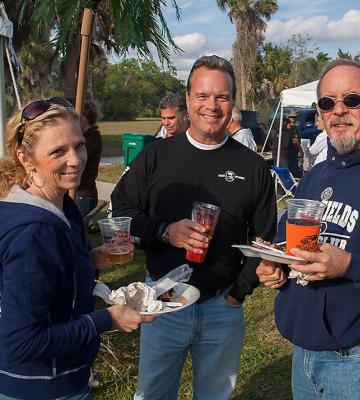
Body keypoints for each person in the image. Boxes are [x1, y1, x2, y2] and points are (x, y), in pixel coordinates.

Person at [111, 55, 277, 400]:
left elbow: (264, 238)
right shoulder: (157, 156)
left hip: (221, 308)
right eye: (202, 96)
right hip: (162, 302)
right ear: (188, 99)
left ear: (232, 102)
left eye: (222, 97)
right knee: (153, 394)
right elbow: (122, 209)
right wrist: (163, 231)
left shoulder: (252, 166)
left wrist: (237, 294)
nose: (211, 106)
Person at [256, 59, 360, 399]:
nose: (338, 111)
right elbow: (285, 237)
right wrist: (272, 263)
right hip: (304, 352)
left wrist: (348, 265)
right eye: (327, 103)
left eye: (352, 100)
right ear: (319, 114)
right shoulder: (319, 173)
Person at [0, 98, 154, 400]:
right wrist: (107, 319)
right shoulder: (33, 232)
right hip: (39, 388)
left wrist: (87, 260)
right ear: (25, 159)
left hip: (69, 378)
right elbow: (21, 342)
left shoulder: (64, 207)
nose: (75, 160)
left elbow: (53, 284)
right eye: (58, 151)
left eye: (79, 145)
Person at [75, 101, 103, 222]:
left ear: (83, 119)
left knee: (77, 231)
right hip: (77, 193)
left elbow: (78, 158)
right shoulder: (84, 136)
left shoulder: (92, 137)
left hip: (84, 194)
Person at [287, 111, 303, 177]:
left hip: (291, 150)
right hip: (292, 150)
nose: (294, 119)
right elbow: (295, 140)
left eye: (294, 117)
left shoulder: (292, 127)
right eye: (292, 117)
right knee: (293, 169)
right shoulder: (293, 128)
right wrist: (300, 150)